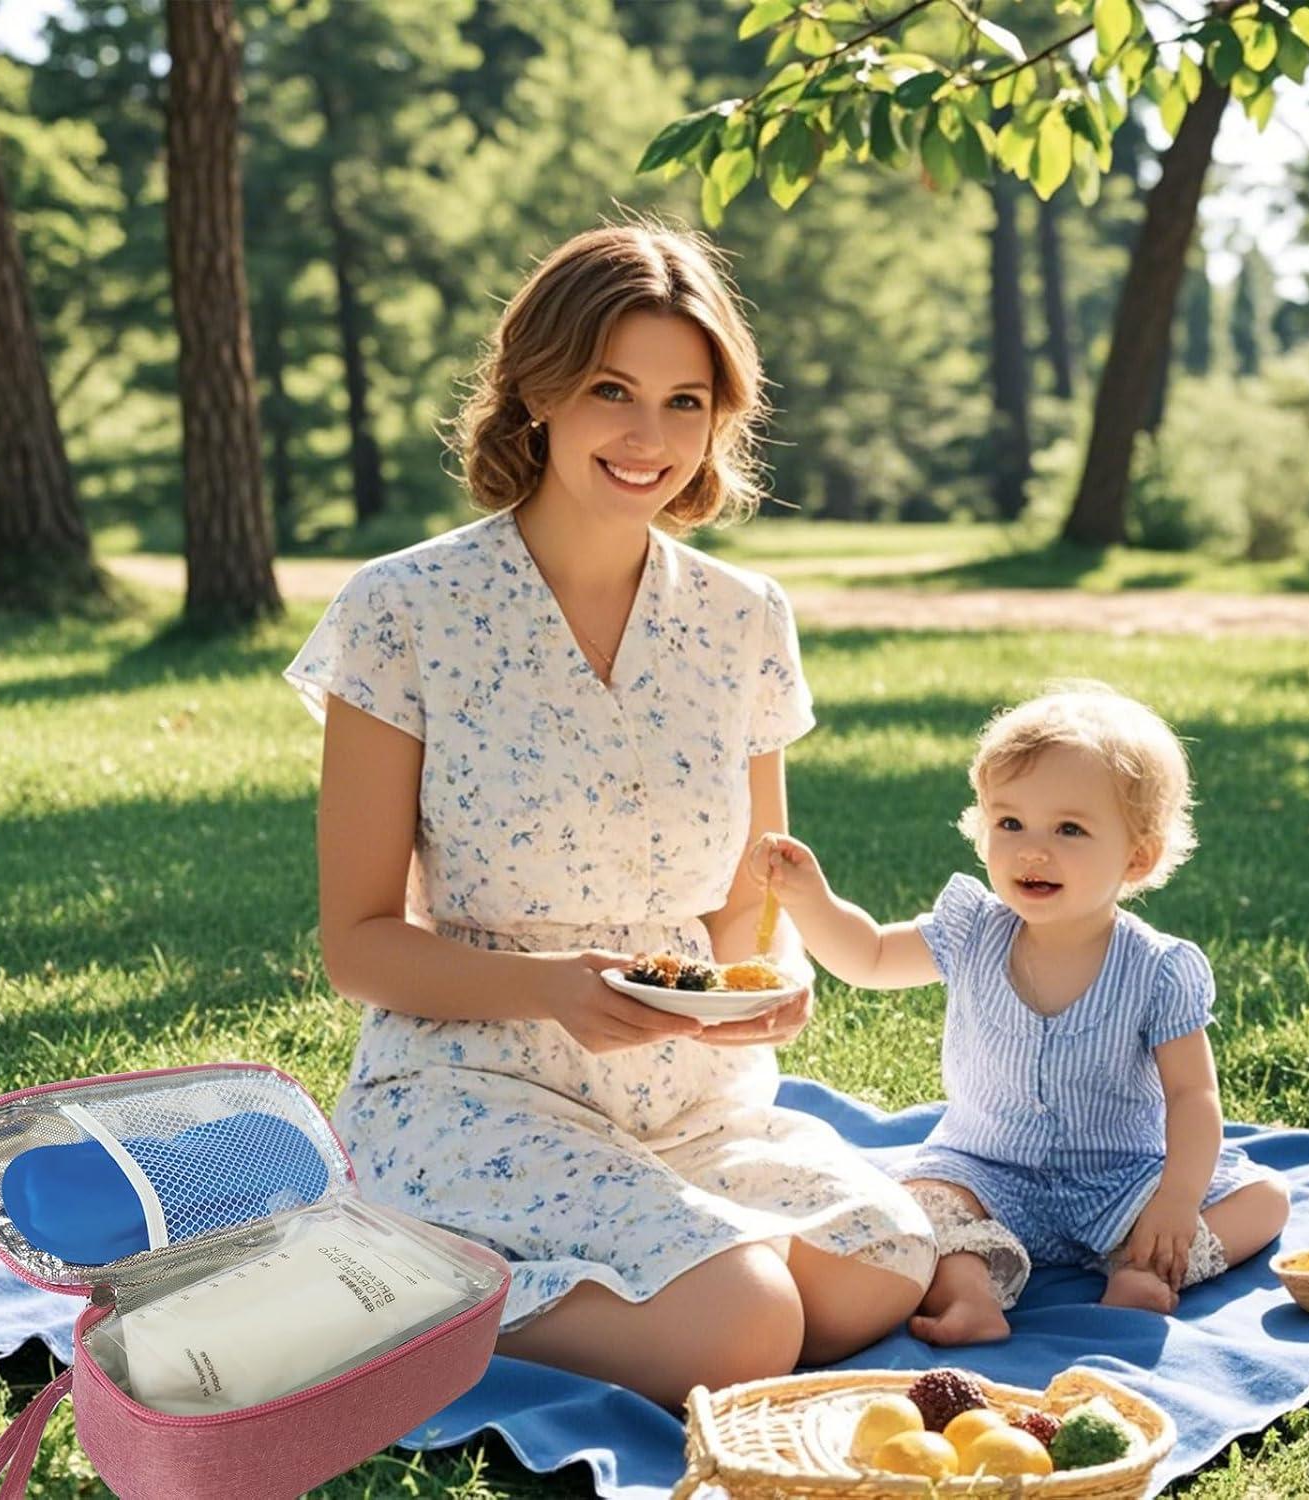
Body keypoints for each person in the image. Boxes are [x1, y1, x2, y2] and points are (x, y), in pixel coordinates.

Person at [283, 219, 934, 1408]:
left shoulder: (745, 618)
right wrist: (549, 988)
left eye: (687, 403)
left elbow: (751, 896)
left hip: (687, 1099)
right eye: (611, 390)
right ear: (535, 392)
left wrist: (767, 987)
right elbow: (358, 945)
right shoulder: (405, 609)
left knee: (881, 1269)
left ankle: (590, 1283)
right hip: (475, 1083)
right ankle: (374, 1293)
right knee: (742, 1326)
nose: (650, 439)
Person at [753, 683, 1291, 1346]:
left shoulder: (1157, 969)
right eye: (1010, 823)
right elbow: (866, 958)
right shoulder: (972, 930)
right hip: (986, 1169)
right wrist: (812, 900)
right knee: (923, 1207)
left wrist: (1176, 1201)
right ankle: (971, 1298)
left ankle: (1141, 1267)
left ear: (1138, 856)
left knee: (1265, 1202)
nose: (1032, 849)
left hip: (1119, 1176)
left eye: (1069, 829)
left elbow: (1192, 1095)